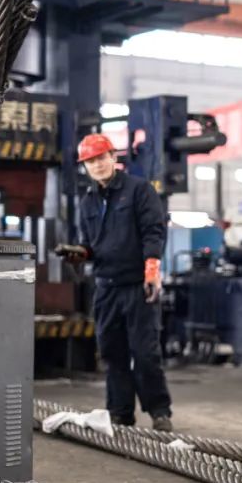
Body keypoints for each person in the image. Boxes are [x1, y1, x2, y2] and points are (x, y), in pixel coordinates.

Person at [57, 133, 174, 431]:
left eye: (100, 158)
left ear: (113, 157)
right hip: (106, 288)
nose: (96, 165)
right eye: (90, 162)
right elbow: (90, 244)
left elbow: (153, 231)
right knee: (112, 353)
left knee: (145, 353)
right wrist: (79, 253)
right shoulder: (88, 202)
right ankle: (120, 412)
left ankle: (159, 411)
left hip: (137, 286)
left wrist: (152, 270)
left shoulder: (139, 190)